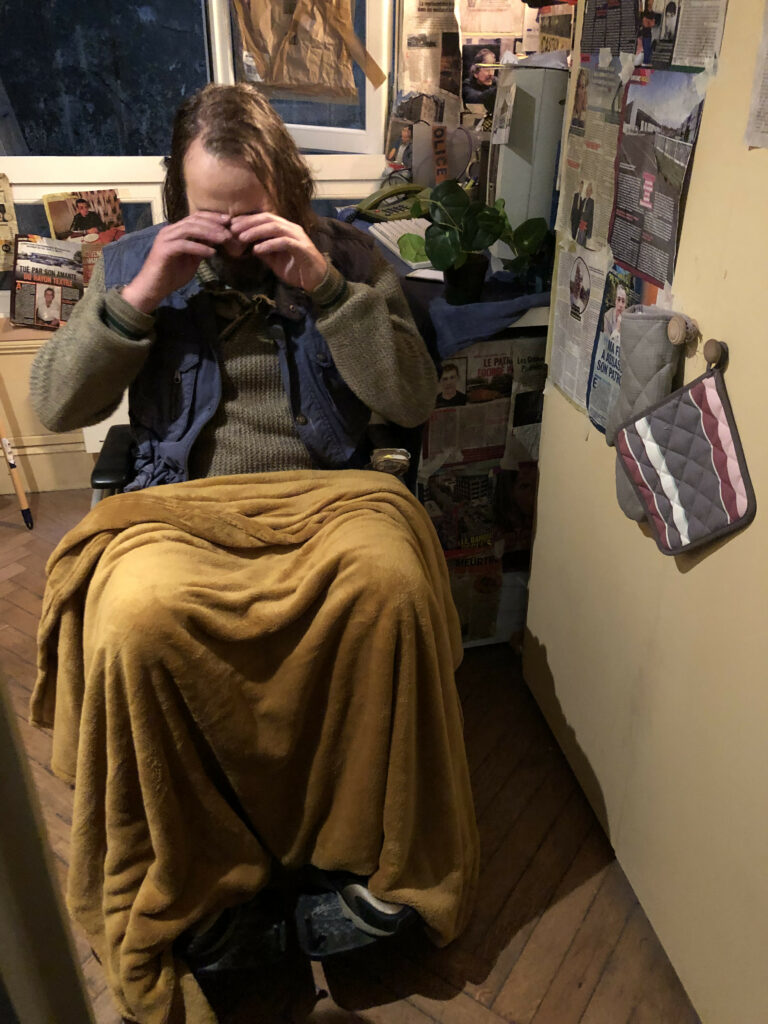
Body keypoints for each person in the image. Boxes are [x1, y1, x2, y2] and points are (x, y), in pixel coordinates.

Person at [29, 83, 478, 1023]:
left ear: (288, 191)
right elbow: (57, 404)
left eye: (250, 215)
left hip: (329, 493)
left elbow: (409, 399)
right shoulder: (132, 263)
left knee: (392, 589)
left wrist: (327, 290)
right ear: (177, 197)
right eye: (210, 216)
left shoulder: (349, 257)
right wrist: (141, 299)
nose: (232, 239)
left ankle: (375, 858)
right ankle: (200, 874)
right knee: (137, 620)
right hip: (179, 506)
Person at [576, 181, 595, 247]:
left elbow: (589, 215)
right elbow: (580, 210)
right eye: (587, 190)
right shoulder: (584, 200)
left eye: (589, 190)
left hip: (585, 224)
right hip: (581, 223)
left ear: (591, 192)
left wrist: (582, 220)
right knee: (579, 239)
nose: (587, 192)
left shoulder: (591, 202)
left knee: (582, 241)